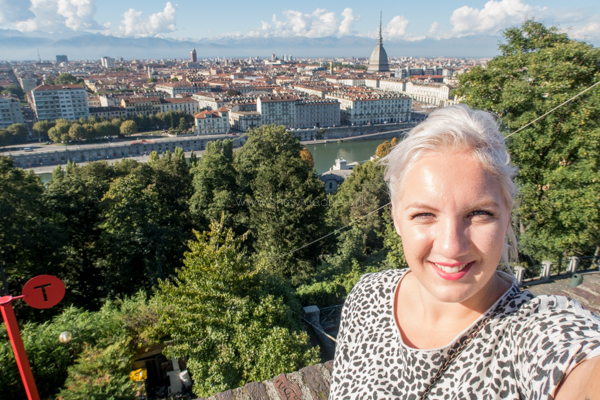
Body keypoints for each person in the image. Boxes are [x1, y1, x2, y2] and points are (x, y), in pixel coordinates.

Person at [329, 105, 600, 399]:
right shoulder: (367, 296)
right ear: (396, 218)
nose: (451, 246)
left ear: (507, 215)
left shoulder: (533, 333)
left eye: (479, 213)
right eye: (424, 215)